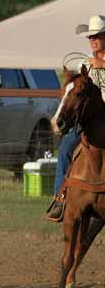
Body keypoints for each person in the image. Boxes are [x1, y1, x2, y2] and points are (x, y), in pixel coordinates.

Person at [46, 15, 105, 221]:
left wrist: (102, 66)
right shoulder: (84, 63)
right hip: (87, 124)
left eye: (97, 36)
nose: (93, 40)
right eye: (91, 37)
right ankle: (60, 198)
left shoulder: (96, 62)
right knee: (65, 148)